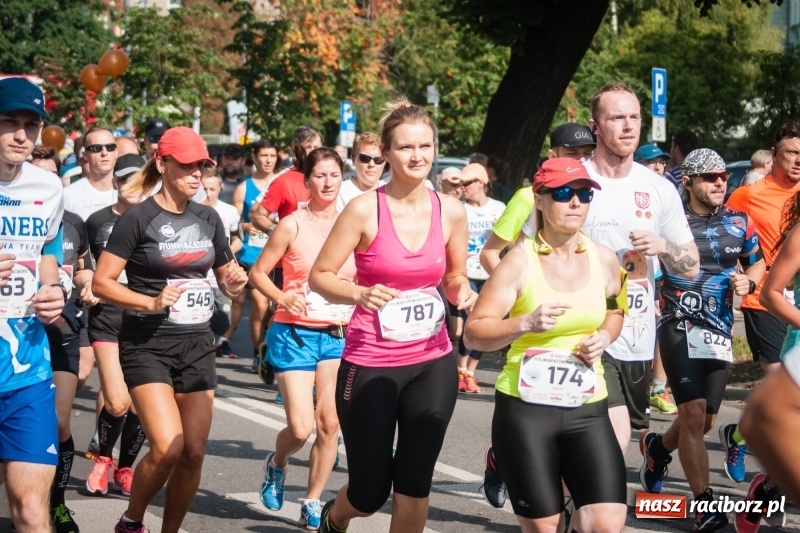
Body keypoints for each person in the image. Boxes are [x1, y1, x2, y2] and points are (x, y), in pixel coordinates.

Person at [308, 98, 477, 533]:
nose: (417, 156)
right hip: (371, 362)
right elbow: (319, 276)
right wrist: (359, 293)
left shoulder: (450, 210)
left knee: (415, 483)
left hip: (432, 361)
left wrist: (464, 292)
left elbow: (454, 276)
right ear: (385, 152)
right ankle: (335, 518)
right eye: (405, 147)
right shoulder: (365, 209)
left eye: (425, 146)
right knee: (369, 492)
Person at [92, 127, 247, 533]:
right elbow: (102, 282)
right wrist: (150, 302)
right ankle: (131, 521)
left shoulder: (208, 217)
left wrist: (234, 282)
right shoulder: (137, 219)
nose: (197, 174)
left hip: (196, 344)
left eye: (202, 166)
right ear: (162, 164)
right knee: (167, 446)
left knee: (193, 453)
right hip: (147, 344)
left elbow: (226, 277)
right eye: (188, 166)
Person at [464, 157, 627, 533]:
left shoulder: (604, 259)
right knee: (544, 526)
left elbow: (615, 311)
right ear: (539, 200)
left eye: (584, 194)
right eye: (564, 193)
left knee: (606, 522)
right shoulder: (518, 262)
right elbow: (474, 332)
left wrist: (605, 336)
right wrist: (525, 323)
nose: (576, 202)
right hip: (526, 411)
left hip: (587, 406)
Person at [637, 149, 764, 533]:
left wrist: (749, 281)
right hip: (678, 323)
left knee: (705, 420)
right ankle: (705, 505)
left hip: (719, 331)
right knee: (692, 414)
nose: (720, 182)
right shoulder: (671, 222)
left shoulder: (739, 221)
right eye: (710, 177)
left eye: (723, 176)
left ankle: (658, 449)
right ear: (689, 182)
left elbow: (757, 261)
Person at [581, 82, 699, 455]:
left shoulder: (659, 188)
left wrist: (663, 246)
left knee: (617, 437)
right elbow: (528, 250)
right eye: (617, 117)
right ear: (595, 126)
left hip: (636, 334)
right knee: (609, 439)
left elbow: (691, 266)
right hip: (581, 329)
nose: (628, 126)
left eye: (634, 117)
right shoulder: (573, 181)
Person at [251, 147, 355, 530]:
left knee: (329, 424)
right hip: (294, 332)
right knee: (300, 428)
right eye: (320, 176)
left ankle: (312, 499)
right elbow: (258, 273)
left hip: (337, 333)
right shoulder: (292, 224)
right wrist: (282, 297)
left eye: (334, 175)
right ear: (306, 181)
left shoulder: (354, 224)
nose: (328, 182)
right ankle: (277, 463)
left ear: (342, 178)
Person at [0, 77, 66, 533]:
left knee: (30, 509)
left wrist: (54, 289)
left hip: (27, 368)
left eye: (32, 124)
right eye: (10, 122)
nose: (22, 135)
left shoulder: (49, 186)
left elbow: (48, 252)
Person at [30, 146, 97, 533]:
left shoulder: (72, 222)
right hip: (20, 333)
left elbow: (82, 266)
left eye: (50, 174)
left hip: (63, 331)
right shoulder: (11, 216)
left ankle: (56, 502)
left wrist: (87, 283)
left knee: (58, 423)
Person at [84, 153, 149, 499]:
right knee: (119, 401)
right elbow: (82, 265)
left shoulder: (158, 219)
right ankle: (102, 460)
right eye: (125, 179)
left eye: (138, 179)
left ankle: (125, 468)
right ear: (115, 182)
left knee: (140, 406)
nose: (131, 186)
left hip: (147, 323)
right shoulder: (96, 221)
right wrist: (86, 282)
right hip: (107, 321)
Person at [251, 126, 323, 383]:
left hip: (323, 261)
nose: (313, 153)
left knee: (317, 315)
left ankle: (309, 374)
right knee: (287, 314)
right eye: (308, 148)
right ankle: (280, 365)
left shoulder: (327, 178)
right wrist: (278, 232)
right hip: (288, 263)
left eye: (316, 147)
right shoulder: (284, 180)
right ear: (296, 149)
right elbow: (258, 215)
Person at [479, 123, 596, 275]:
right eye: (572, 153)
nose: (581, 160)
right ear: (552, 156)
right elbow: (489, 253)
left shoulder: (593, 193)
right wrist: (513, 286)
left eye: (588, 153)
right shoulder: (528, 196)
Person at [219, 139, 279, 365]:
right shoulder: (244, 187)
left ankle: (269, 348)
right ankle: (258, 356)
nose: (268, 160)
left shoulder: (281, 183)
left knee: (274, 310)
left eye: (272, 156)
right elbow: (235, 222)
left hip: (277, 256)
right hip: (250, 255)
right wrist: (244, 226)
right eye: (264, 156)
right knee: (261, 306)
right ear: (254, 158)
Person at [457, 163, 505, 393]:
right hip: (466, 274)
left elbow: (511, 242)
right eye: (460, 183)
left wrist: (501, 233)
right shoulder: (459, 209)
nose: (462, 187)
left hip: (490, 273)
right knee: (469, 323)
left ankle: (470, 372)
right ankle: (460, 370)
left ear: (481, 183)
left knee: (485, 322)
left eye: (467, 182)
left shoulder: (499, 208)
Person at [201, 171, 243, 354]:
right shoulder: (190, 209)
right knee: (201, 318)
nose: (208, 193)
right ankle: (205, 349)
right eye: (204, 189)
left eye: (212, 189)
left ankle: (219, 342)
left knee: (223, 318)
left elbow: (238, 239)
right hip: (199, 276)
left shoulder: (230, 211)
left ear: (221, 188)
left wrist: (224, 254)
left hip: (220, 274)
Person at [63, 127, 118, 220]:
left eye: (110, 147)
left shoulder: (131, 193)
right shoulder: (69, 195)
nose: (104, 153)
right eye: (96, 148)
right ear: (85, 155)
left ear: (116, 152)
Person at [336, 132, 387, 211]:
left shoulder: (392, 192)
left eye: (378, 160)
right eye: (365, 158)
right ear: (353, 159)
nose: (371, 164)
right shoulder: (340, 192)